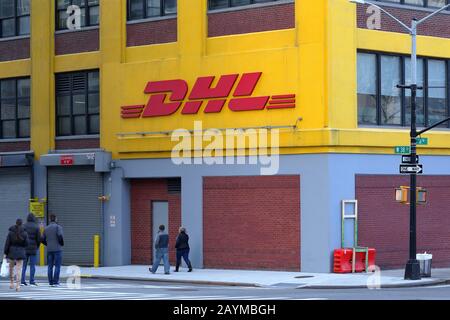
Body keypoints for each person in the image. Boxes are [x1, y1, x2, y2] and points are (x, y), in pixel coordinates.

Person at [3, 219, 29, 292]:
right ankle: (18, 286)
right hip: (21, 252)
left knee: (11, 268)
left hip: (11, 252)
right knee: (19, 269)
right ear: (22, 224)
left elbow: (7, 243)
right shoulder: (24, 233)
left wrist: (5, 252)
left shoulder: (11, 233)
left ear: (15, 223)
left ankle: (11, 283)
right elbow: (27, 243)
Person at [42, 214, 64, 287]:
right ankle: (55, 282)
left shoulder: (46, 228)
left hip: (49, 250)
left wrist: (47, 244)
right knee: (57, 266)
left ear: (49, 219)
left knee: (50, 266)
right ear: (56, 219)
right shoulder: (58, 227)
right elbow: (60, 236)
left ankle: (50, 282)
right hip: (58, 249)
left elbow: (42, 239)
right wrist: (61, 243)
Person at [21, 213, 41, 287]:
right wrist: (37, 246)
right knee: (32, 266)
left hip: (25, 249)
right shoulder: (36, 227)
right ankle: (31, 281)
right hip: (33, 249)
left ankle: (22, 281)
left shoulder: (23, 226)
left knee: (24, 266)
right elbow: (39, 239)